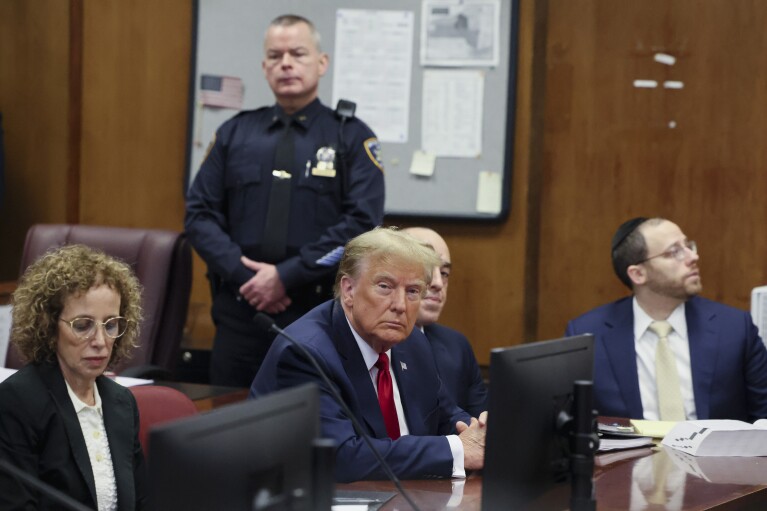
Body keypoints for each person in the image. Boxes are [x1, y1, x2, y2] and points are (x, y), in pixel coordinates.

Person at [185, 14, 385, 386]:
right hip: (241, 311)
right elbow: (198, 215)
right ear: (264, 67)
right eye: (275, 56)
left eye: (297, 53)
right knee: (231, 425)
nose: (286, 63)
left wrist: (285, 276)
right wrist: (249, 278)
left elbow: (362, 224)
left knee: (316, 428)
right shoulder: (235, 133)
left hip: (319, 312)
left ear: (321, 63)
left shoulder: (351, 138)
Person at [251, 227, 486, 482]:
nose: (400, 305)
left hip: (407, 495)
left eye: (413, 291)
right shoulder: (305, 353)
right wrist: (458, 450)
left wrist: (480, 434)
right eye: (385, 287)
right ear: (349, 290)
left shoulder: (413, 342)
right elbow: (342, 457)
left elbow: (445, 414)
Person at [565, 217, 767, 421]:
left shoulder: (735, 328)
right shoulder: (587, 336)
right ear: (638, 274)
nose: (693, 256)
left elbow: (763, 417)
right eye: (674, 252)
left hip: (716, 452)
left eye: (688, 246)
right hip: (631, 452)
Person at [0, 245, 147, 510]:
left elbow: (142, 502)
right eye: (83, 326)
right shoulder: (17, 401)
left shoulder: (121, 402)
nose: (101, 341)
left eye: (111, 324)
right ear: (49, 326)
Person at [403, 227, 488, 417]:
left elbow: (482, 428)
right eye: (425, 269)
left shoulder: (457, 346)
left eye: (444, 273)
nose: (438, 283)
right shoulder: (371, 344)